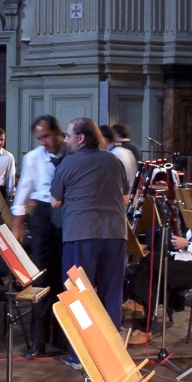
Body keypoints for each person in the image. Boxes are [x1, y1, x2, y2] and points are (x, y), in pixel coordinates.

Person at [50, 118, 129, 367]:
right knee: (112, 295)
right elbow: (125, 198)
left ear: (81, 137)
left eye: (69, 135)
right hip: (115, 234)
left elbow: (55, 201)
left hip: (81, 234)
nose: (66, 140)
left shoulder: (68, 163)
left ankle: (80, 357)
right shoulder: (114, 161)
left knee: (79, 295)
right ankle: (111, 359)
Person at [128, 179, 192, 343]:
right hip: (186, 260)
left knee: (152, 270)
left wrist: (186, 245)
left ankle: (141, 318)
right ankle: (140, 318)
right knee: (149, 263)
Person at [11, 115, 67, 356]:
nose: (44, 142)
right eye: (40, 138)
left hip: (68, 215)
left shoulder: (73, 153)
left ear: (57, 132)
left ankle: (64, 341)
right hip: (43, 217)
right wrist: (17, 225)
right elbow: (23, 190)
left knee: (65, 280)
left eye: (47, 136)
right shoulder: (33, 158)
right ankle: (38, 342)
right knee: (41, 280)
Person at [101, 124, 137, 189]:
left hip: (119, 193)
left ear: (104, 140)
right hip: (131, 191)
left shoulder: (112, 156)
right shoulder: (127, 152)